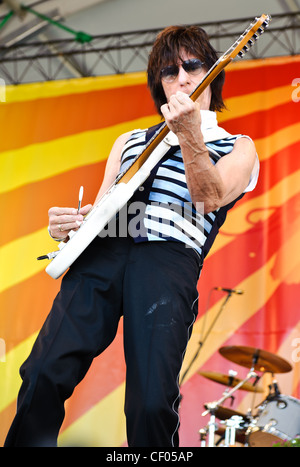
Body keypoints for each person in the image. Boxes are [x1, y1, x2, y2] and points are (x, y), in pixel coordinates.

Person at [4, 25, 259, 447]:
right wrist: (68, 229)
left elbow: (209, 197)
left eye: (193, 65)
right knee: (42, 373)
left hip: (166, 261)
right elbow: (102, 214)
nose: (182, 78)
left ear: (213, 73)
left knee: (152, 403)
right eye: (169, 71)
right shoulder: (130, 142)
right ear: (158, 86)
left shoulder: (238, 146)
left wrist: (190, 134)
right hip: (103, 256)